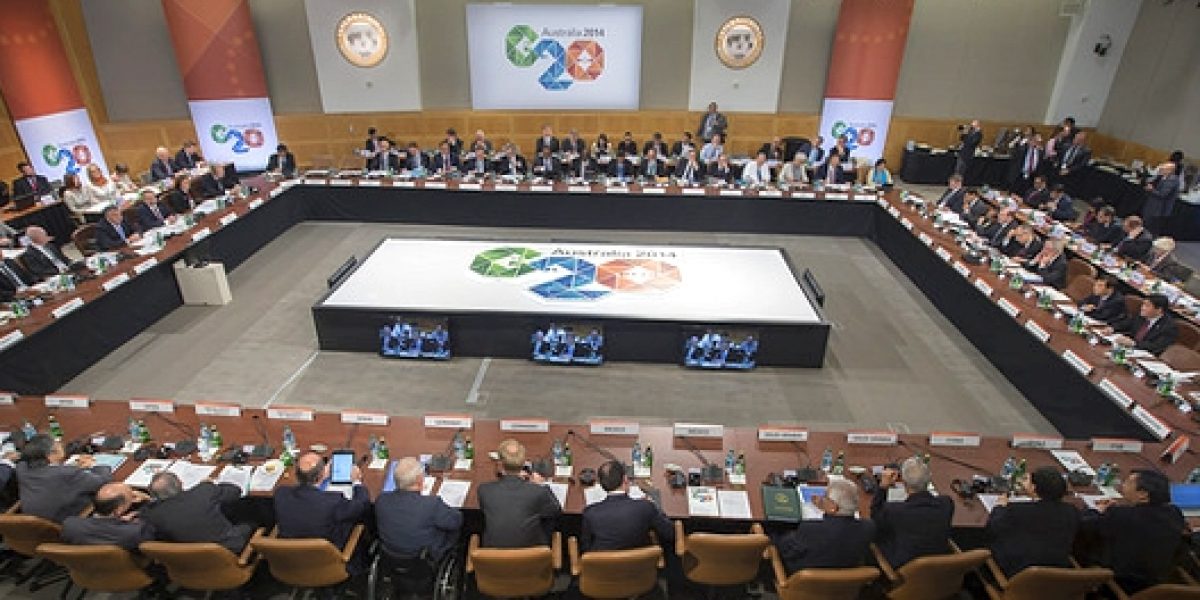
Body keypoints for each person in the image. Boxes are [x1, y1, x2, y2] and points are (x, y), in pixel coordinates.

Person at [1080, 469, 1186, 594]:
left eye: (1128, 482)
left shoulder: (1121, 515)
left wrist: (1097, 511)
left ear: (1143, 494)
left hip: (1117, 583)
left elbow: (1084, 526)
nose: (1122, 484)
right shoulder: (1175, 514)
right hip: (1154, 584)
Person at [273, 453, 370, 569]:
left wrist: (320, 475)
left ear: (296, 474)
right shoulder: (332, 502)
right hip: (330, 562)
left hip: (291, 563)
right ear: (322, 473)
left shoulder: (281, 495)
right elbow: (362, 506)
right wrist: (357, 481)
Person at [987, 467, 1079, 578]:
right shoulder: (1071, 512)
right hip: (1056, 579)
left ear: (1034, 488)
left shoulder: (1017, 510)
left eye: (1028, 480)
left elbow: (993, 527)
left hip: (1018, 576)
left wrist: (999, 507)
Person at [774, 479, 874, 574]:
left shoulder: (811, 530)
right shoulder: (868, 528)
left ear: (833, 507)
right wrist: (824, 507)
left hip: (804, 582)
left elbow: (785, 550)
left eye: (825, 496)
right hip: (846, 586)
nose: (822, 498)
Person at [142, 471, 255, 554]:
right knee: (252, 519)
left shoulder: (152, 514)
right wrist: (211, 484)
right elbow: (235, 491)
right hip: (230, 549)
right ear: (180, 483)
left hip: (190, 562)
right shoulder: (203, 490)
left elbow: (145, 513)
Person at [476, 439, 561, 548]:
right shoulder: (538, 491)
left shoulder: (484, 490)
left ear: (500, 464)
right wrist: (541, 485)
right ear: (524, 463)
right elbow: (556, 511)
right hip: (532, 558)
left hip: (493, 559)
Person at [871, 457, 953, 569]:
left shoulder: (896, 511)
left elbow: (875, 516)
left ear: (904, 483)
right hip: (940, 571)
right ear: (929, 480)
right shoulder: (946, 504)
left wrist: (883, 487)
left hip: (905, 571)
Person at [376, 457, 462, 561]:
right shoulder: (431, 504)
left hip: (391, 560)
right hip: (426, 561)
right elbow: (456, 521)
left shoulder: (381, 501)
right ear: (419, 480)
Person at [15, 434, 112, 523]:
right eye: (58, 444)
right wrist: (95, 464)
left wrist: (69, 466)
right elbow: (103, 482)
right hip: (65, 523)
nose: (62, 444)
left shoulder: (21, 469)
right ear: (50, 455)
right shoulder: (68, 473)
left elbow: (50, 473)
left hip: (36, 526)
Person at [579, 461, 672, 553]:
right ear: (625, 480)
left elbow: (585, 548)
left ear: (600, 484)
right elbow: (669, 533)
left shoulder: (590, 513)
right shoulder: (645, 507)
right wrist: (654, 503)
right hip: (640, 564)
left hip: (602, 566)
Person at [62, 482, 155, 551]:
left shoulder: (69, 525)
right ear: (118, 510)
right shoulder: (134, 532)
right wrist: (149, 499)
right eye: (132, 496)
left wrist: (119, 520)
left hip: (86, 570)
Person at [1108, 295, 1178, 356]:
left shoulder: (1169, 327)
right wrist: (1113, 328)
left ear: (1159, 310)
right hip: (1128, 350)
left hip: (1144, 356)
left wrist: (1134, 343)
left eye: (1147, 306)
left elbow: (1156, 346)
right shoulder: (1142, 315)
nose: (1142, 308)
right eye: (1143, 304)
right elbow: (1127, 323)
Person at [1142, 162, 1181, 236]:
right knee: (1146, 222)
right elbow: (1149, 181)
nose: (1160, 169)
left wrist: (1151, 189)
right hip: (1152, 204)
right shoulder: (1162, 176)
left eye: (1163, 168)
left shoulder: (1172, 180)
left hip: (1159, 207)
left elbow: (1163, 194)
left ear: (1170, 171)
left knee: (1151, 226)